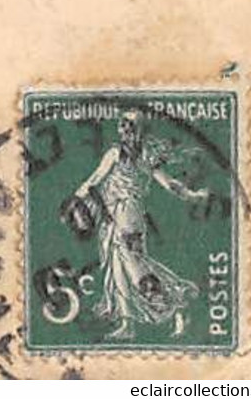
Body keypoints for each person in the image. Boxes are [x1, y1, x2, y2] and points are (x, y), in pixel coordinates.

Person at [69, 113, 208, 340]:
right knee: (120, 267)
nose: (124, 131)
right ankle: (128, 323)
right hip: (120, 215)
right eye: (122, 127)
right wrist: (191, 195)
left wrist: (74, 200)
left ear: (138, 130)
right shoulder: (141, 154)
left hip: (125, 215)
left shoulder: (125, 153)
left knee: (134, 269)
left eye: (129, 127)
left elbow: (94, 179)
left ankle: (177, 303)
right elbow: (170, 184)